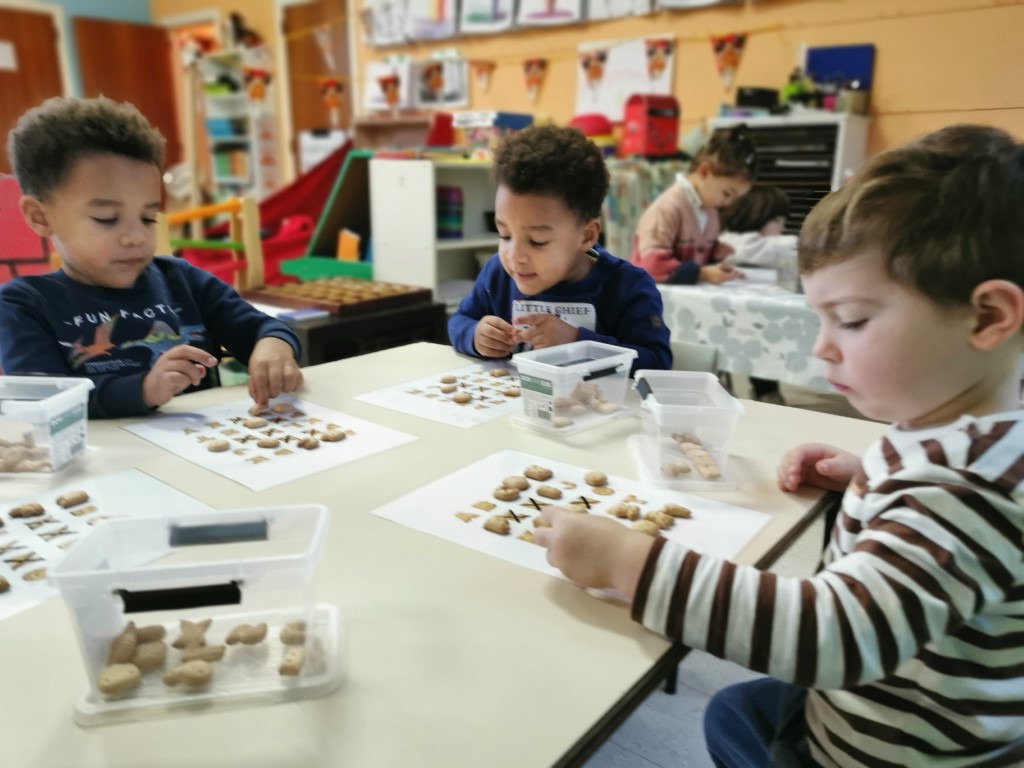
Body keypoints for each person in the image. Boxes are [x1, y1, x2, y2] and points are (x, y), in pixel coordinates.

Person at [535, 124, 1024, 766]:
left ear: (987, 317)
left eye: (852, 320)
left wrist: (627, 561)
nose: (822, 348)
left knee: (734, 718)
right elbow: (938, 528)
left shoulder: (963, 490)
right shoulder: (978, 436)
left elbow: (831, 633)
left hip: (886, 750)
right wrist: (870, 475)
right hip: (885, 702)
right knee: (735, 712)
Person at [0, 96, 303, 418]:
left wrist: (273, 348)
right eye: (107, 218)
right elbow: (44, 404)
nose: (137, 237)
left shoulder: (183, 280)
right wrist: (143, 389)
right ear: (41, 216)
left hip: (206, 441)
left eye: (148, 217)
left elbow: (263, 328)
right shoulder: (24, 305)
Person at [448, 124, 672, 373]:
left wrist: (578, 342)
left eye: (537, 241)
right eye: (505, 235)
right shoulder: (498, 274)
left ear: (587, 235)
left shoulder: (627, 287)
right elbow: (459, 320)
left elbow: (657, 361)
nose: (514, 256)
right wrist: (475, 335)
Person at [630, 125, 756, 285]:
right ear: (704, 172)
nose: (729, 203)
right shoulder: (667, 209)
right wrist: (703, 273)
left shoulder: (710, 211)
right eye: (727, 193)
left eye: (735, 198)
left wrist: (714, 253)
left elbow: (691, 257)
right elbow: (651, 266)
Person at [717, 185, 800, 404]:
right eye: (778, 221)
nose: (782, 228)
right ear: (757, 215)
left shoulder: (764, 246)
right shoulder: (733, 242)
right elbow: (752, 249)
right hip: (735, 318)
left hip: (759, 318)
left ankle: (765, 391)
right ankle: (763, 391)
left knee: (764, 351)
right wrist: (796, 242)